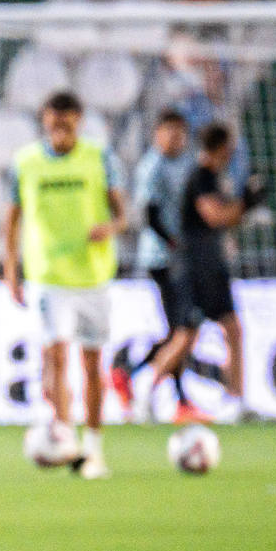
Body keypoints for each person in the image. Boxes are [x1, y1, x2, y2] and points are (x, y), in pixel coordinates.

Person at [3, 91, 126, 480]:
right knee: (56, 357)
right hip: (48, 277)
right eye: (54, 121)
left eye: (68, 122)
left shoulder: (99, 157)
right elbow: (11, 220)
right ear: (44, 120)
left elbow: (123, 213)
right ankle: (63, 439)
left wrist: (110, 227)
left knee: (92, 363)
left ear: (79, 120)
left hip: (93, 276)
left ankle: (93, 449)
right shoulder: (25, 163)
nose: (61, 128)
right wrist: (11, 271)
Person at [146, 123, 266, 423]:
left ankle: (237, 402)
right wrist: (247, 203)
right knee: (186, 336)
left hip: (212, 265)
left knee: (232, 329)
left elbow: (223, 219)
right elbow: (214, 216)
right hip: (195, 267)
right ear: (222, 148)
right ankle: (144, 396)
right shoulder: (201, 177)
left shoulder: (214, 178)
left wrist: (243, 208)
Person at [112, 109, 207, 423]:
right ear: (157, 134)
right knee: (184, 328)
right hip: (163, 259)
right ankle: (143, 385)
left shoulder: (187, 163)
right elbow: (150, 215)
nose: (175, 138)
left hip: (183, 257)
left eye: (180, 133)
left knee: (177, 331)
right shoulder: (151, 167)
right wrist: (175, 243)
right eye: (169, 132)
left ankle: (171, 397)